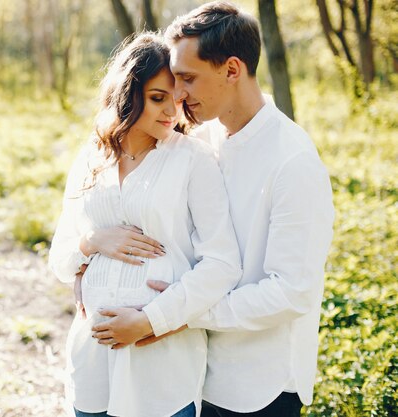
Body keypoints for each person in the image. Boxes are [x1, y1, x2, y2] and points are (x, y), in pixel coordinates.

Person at [90, 2, 335, 417]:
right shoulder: (201, 141)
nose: (178, 94)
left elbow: (293, 291)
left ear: (232, 70)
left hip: (260, 385)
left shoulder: (293, 161)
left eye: (187, 78)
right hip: (193, 373)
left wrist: (173, 316)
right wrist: (92, 243)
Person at [48, 32, 242, 417]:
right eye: (157, 98)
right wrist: (92, 241)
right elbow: (59, 258)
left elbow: (222, 264)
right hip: (92, 361)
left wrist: (149, 320)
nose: (171, 111)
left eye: (177, 99)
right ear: (127, 93)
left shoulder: (192, 160)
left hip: (160, 365)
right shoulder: (92, 158)